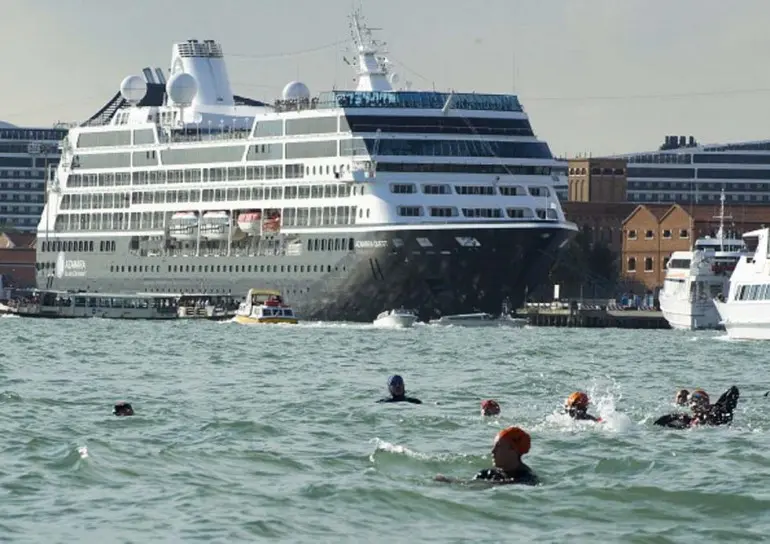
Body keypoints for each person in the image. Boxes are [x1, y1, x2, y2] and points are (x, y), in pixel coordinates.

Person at [434, 426, 539, 486]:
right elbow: (470, 484)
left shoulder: (527, 479)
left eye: (498, 447)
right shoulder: (487, 473)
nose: (492, 451)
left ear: (513, 450)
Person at [654, 386, 739, 428]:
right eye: (691, 401)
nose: (694, 403)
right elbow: (659, 423)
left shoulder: (718, 412)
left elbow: (733, 390)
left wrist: (715, 405)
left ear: (707, 402)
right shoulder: (687, 419)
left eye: (697, 399)